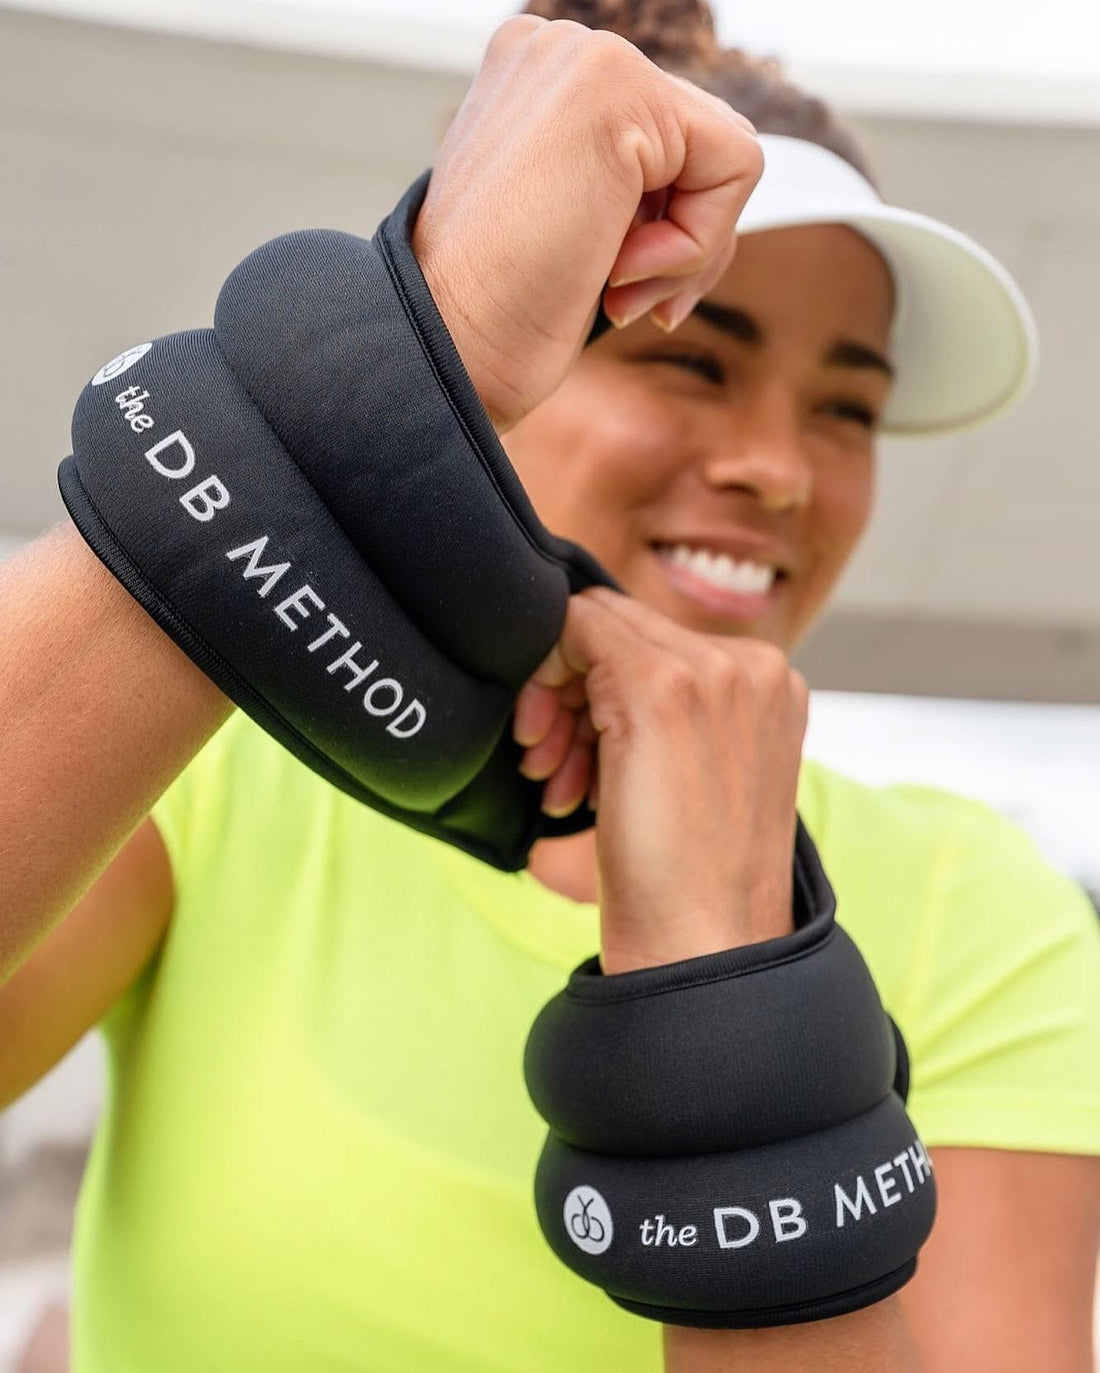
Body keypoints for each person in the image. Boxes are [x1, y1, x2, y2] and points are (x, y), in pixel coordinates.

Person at [1, 1, 1098, 1369]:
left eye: (847, 407)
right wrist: (415, 346)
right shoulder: (233, 769)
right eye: (692, 357)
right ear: (501, 388)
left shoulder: (979, 906)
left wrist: (722, 947)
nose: (781, 466)